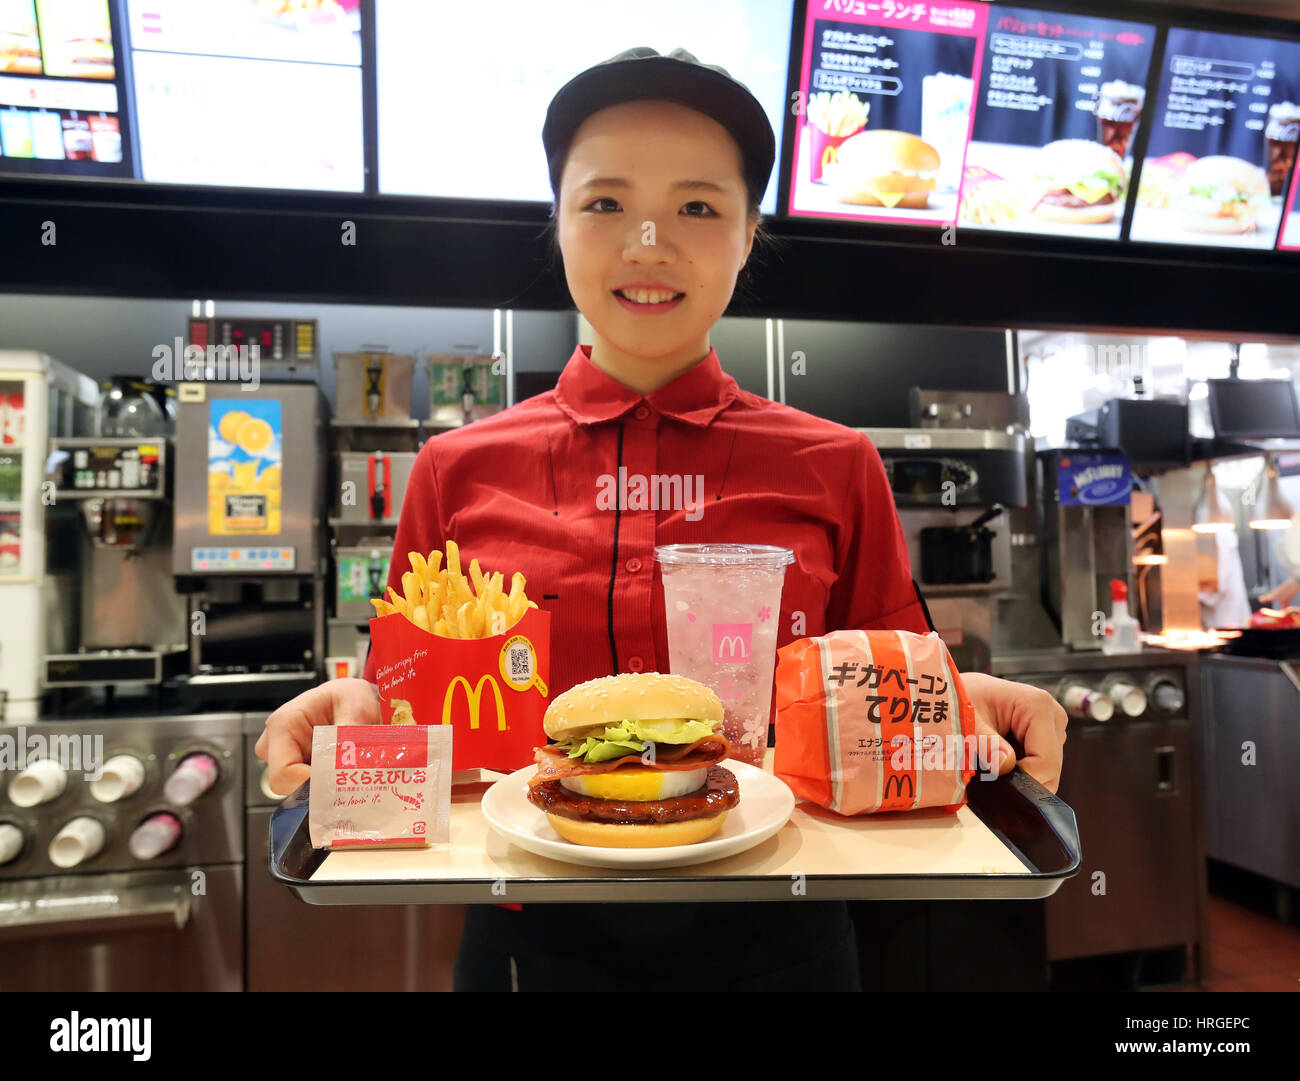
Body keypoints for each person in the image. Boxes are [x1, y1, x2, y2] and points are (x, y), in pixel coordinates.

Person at [256, 47, 1067, 991]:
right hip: (528, 940)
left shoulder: (836, 464)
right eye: (604, 203)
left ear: (748, 236)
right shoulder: (454, 470)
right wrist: (355, 718)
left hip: (784, 932)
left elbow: (893, 710)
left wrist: (963, 712)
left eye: (697, 206)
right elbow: (410, 722)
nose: (647, 242)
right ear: (555, 223)